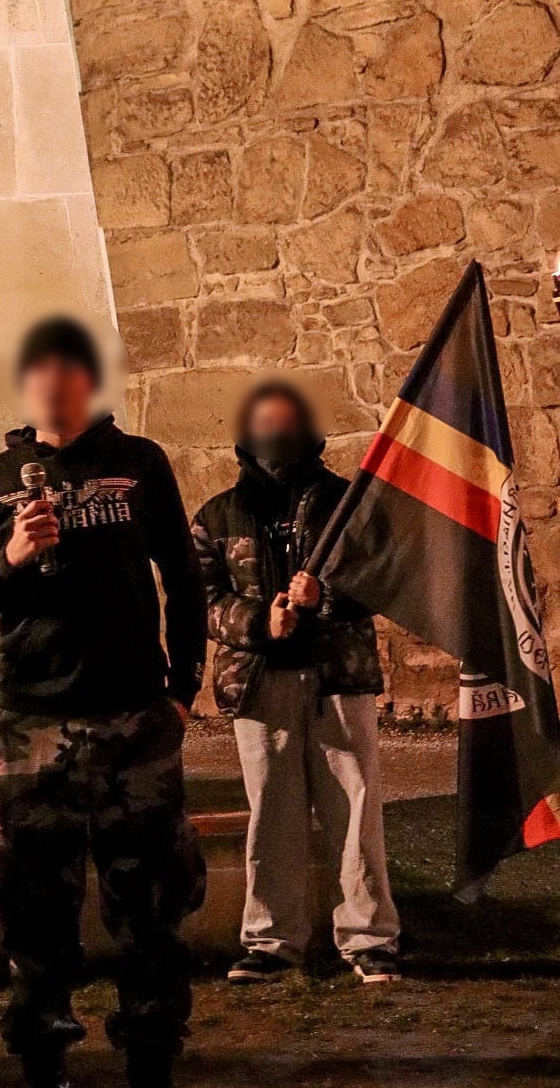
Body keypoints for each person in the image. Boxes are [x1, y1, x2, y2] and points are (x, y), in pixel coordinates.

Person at [0, 317, 207, 1088]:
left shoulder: (139, 463)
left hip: (134, 716)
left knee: (151, 908)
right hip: (31, 723)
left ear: (89, 384)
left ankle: (152, 1058)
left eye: (67, 373)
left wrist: (182, 692)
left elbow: (184, 578)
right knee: (35, 913)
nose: (52, 387)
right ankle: (44, 1061)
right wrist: (12, 555)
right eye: (39, 375)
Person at [191, 380, 400, 985]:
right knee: (272, 815)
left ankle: (369, 937)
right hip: (260, 684)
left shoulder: (347, 503)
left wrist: (325, 596)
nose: (275, 435)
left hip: (339, 679)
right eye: (265, 424)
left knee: (354, 810)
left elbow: (381, 576)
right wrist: (261, 622)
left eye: (286, 423)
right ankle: (271, 940)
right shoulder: (217, 515)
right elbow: (203, 599)